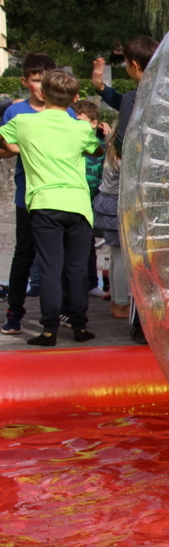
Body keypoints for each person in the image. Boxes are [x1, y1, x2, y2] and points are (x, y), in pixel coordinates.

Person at [0, 69, 107, 345]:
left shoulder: (24, 122)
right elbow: (96, 150)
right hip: (77, 205)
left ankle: (49, 330)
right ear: (74, 98)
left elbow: (3, 139)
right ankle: (80, 326)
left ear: (43, 93)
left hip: (44, 203)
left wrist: (19, 147)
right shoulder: (81, 128)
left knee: (50, 267)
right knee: (76, 268)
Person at [94, 35, 158, 320]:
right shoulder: (166, 92)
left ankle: (120, 303)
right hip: (159, 185)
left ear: (134, 65)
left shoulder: (136, 96)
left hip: (130, 191)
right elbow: (124, 103)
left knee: (120, 252)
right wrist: (102, 89)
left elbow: (123, 139)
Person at [2, 54, 65, 334]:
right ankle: (14, 312)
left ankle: (63, 312)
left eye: (47, 80)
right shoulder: (16, 113)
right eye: (37, 80)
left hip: (59, 196)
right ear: (25, 81)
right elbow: (4, 149)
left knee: (58, 257)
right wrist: (24, 147)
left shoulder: (66, 111)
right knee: (24, 253)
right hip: (27, 197)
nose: (42, 86)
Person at [70, 99, 108, 298]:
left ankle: (92, 283)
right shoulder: (70, 142)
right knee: (74, 245)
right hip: (74, 199)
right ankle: (76, 285)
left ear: (93, 123)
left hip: (93, 201)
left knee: (89, 243)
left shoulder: (101, 145)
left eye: (80, 121)